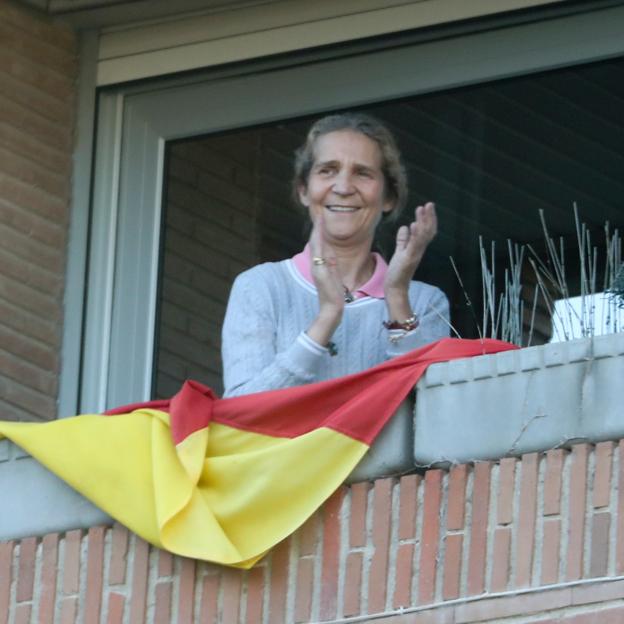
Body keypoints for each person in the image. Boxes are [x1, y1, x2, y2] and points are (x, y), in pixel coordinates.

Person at [221, 113, 450, 397]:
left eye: (362, 173)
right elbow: (242, 410)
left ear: (389, 197)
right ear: (304, 190)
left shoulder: (424, 302)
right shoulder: (261, 286)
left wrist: (397, 297)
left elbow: (429, 414)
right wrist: (327, 317)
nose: (343, 187)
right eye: (328, 170)